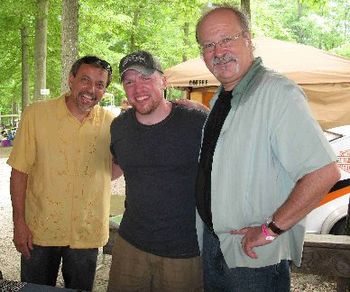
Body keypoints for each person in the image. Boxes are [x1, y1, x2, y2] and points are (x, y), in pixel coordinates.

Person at [194, 5, 341, 291]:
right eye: (209, 45)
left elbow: (324, 173)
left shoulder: (277, 93)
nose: (218, 51)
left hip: (253, 257)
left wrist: (270, 229)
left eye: (227, 39)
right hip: (215, 245)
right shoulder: (221, 99)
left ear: (248, 39)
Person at [8, 55, 119, 291]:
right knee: (34, 288)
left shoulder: (112, 123)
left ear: (105, 90)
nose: (91, 89)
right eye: (85, 80)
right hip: (39, 231)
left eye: (100, 85)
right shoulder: (36, 114)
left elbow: (112, 171)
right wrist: (19, 222)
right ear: (71, 80)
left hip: (86, 233)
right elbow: (19, 171)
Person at [107, 50, 207, 291]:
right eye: (129, 81)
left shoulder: (195, 121)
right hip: (130, 243)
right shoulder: (119, 127)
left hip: (184, 251)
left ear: (163, 81)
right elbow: (115, 167)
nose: (137, 88)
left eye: (146, 78)